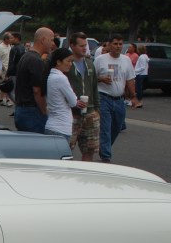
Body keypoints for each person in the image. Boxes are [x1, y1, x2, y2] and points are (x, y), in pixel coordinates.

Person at [94, 35, 137, 162]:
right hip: (103, 97)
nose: (118, 46)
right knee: (105, 128)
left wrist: (133, 97)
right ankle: (106, 156)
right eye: (115, 44)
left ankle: (104, 147)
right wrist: (101, 79)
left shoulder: (126, 60)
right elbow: (91, 78)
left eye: (120, 44)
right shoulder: (100, 59)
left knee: (117, 126)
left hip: (119, 99)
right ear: (109, 45)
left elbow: (130, 79)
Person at [14, 27, 56, 133]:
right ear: (43, 40)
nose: (53, 44)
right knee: (36, 146)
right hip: (32, 112)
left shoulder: (25, 56)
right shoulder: (36, 61)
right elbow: (37, 91)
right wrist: (44, 111)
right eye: (51, 40)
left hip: (21, 109)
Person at [66, 32, 100, 161]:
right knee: (67, 148)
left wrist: (97, 110)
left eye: (85, 45)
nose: (84, 48)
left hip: (90, 113)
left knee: (89, 149)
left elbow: (95, 87)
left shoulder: (90, 63)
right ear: (72, 45)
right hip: (72, 113)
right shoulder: (67, 63)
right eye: (81, 45)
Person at [44, 47, 86, 144]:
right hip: (61, 127)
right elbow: (73, 101)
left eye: (72, 62)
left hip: (53, 124)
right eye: (68, 61)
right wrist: (77, 102)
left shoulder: (51, 76)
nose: (70, 64)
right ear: (58, 62)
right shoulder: (61, 78)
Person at [0, 32, 14, 106]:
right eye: (10, 38)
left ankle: (1, 100)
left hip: (9, 68)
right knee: (7, 84)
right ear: (6, 39)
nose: (11, 39)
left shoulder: (9, 46)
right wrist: (2, 68)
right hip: (4, 69)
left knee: (4, 84)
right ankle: (7, 100)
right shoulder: (0, 47)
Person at [133, 44, 149, 109]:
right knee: (139, 88)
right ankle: (139, 101)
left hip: (140, 74)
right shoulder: (145, 56)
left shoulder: (142, 57)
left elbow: (142, 67)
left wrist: (135, 71)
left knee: (138, 88)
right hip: (143, 74)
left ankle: (139, 102)